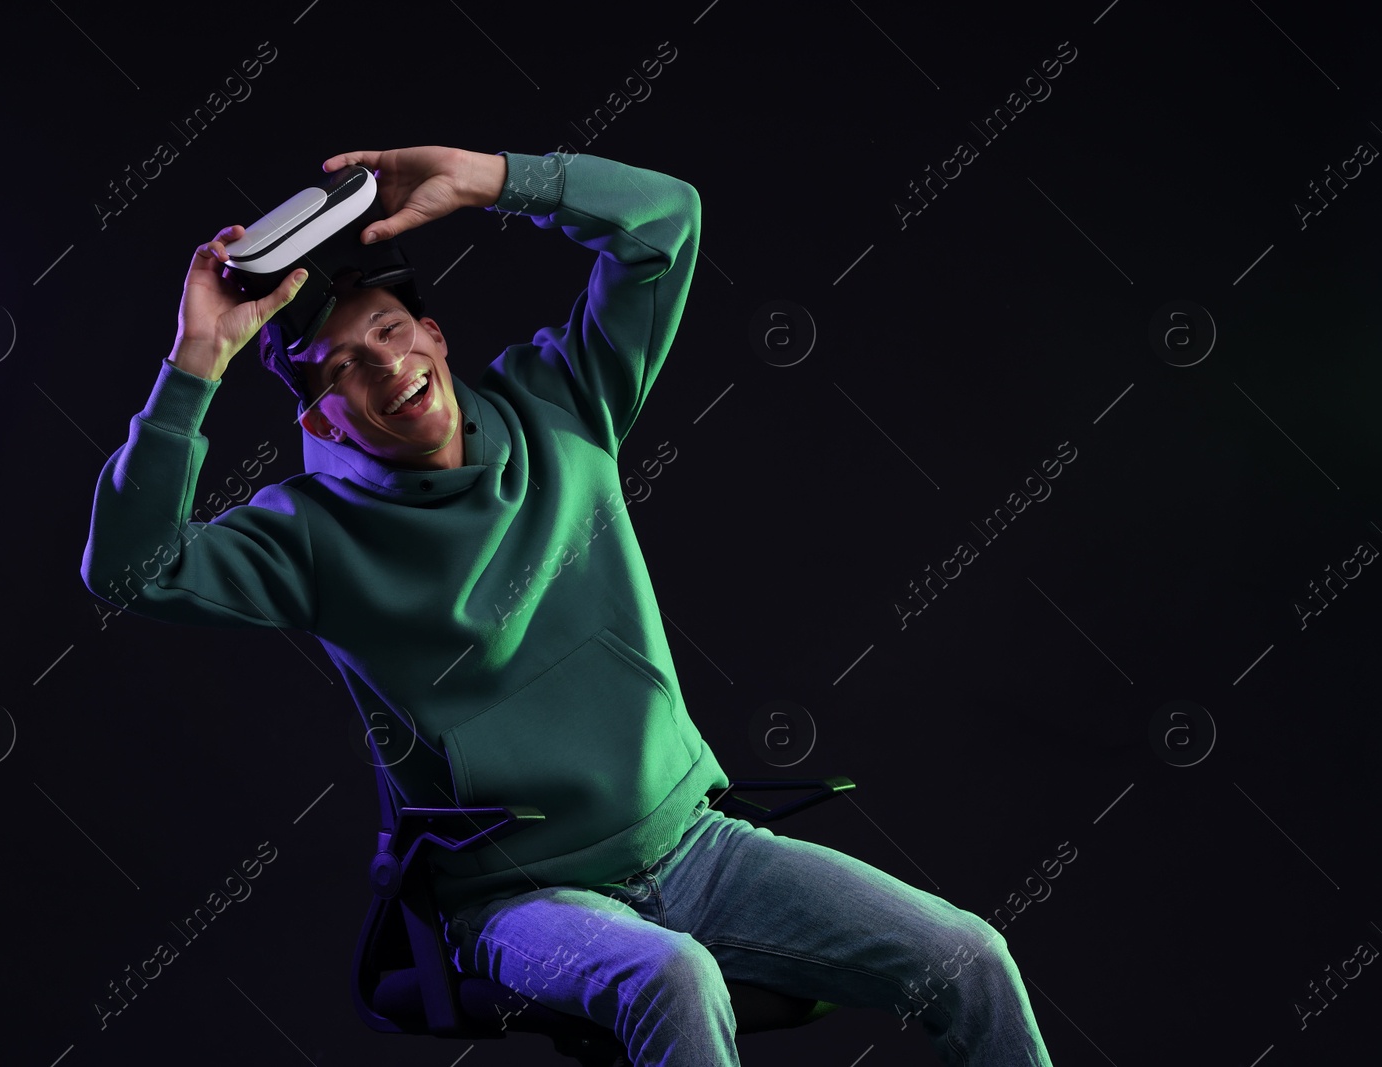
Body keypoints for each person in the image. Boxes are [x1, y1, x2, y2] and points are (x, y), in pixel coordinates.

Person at [80, 145, 1055, 1066]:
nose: (383, 371)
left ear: (433, 335)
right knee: (672, 974)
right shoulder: (306, 535)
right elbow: (128, 569)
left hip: (697, 842)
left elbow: (665, 223)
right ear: (315, 414)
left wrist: (496, 177)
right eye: (341, 371)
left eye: (389, 332)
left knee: (969, 955)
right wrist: (194, 362)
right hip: (518, 897)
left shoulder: (561, 399)